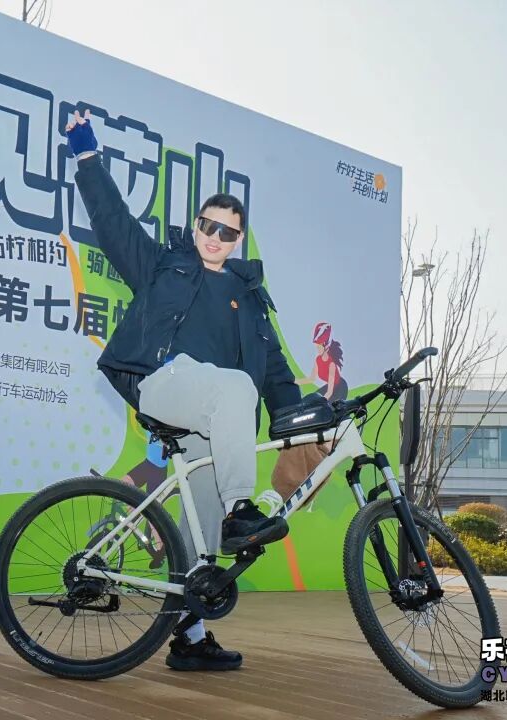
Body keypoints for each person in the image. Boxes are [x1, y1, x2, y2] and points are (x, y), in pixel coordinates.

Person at [67, 109, 300, 671]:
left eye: (227, 232)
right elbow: (114, 223)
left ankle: (189, 638)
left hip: (211, 419)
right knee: (235, 390)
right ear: (196, 227)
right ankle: (242, 507)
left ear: (238, 240)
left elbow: (274, 371)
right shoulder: (163, 265)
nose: (215, 237)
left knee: (203, 538)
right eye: (208, 226)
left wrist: (299, 419)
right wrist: (86, 154)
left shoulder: (251, 299)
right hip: (164, 385)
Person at [296, 322, 348, 402]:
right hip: (330, 387)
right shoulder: (318, 360)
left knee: (323, 404)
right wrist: (294, 382)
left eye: (319, 346)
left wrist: (322, 402)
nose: (317, 348)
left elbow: (329, 392)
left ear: (326, 346)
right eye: (317, 346)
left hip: (340, 389)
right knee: (311, 399)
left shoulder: (331, 364)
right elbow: (311, 379)